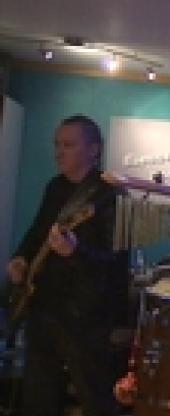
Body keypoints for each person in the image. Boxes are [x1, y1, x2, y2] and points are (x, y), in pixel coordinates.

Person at [6, 114, 128, 416]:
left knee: (94, 394)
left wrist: (75, 251)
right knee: (38, 392)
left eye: (68, 145)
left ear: (94, 149)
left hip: (86, 312)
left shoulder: (111, 195)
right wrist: (21, 258)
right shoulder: (55, 187)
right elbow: (37, 233)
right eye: (57, 144)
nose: (58, 152)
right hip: (44, 301)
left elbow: (115, 262)